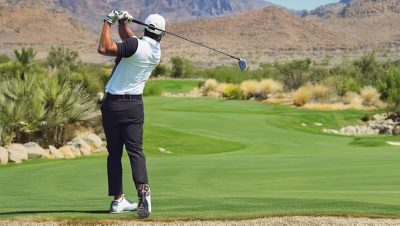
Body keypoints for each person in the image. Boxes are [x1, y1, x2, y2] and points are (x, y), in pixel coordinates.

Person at [97, 10, 166, 218]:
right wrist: (123, 22)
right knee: (135, 151)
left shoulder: (136, 45)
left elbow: (104, 48)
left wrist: (108, 22)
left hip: (113, 105)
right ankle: (143, 191)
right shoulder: (156, 52)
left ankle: (117, 200)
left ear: (145, 28)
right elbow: (131, 41)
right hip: (135, 105)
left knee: (114, 154)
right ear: (161, 34)